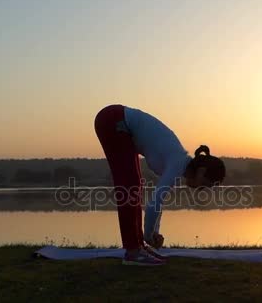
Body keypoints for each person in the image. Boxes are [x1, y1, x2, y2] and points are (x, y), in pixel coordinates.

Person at [94, 104, 226, 266]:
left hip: (117, 120)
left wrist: (154, 233)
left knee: (134, 187)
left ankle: (138, 247)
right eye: (204, 185)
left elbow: (158, 204)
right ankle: (133, 251)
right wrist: (149, 236)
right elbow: (153, 205)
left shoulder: (178, 164)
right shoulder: (177, 163)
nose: (201, 190)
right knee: (130, 188)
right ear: (201, 172)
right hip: (113, 119)